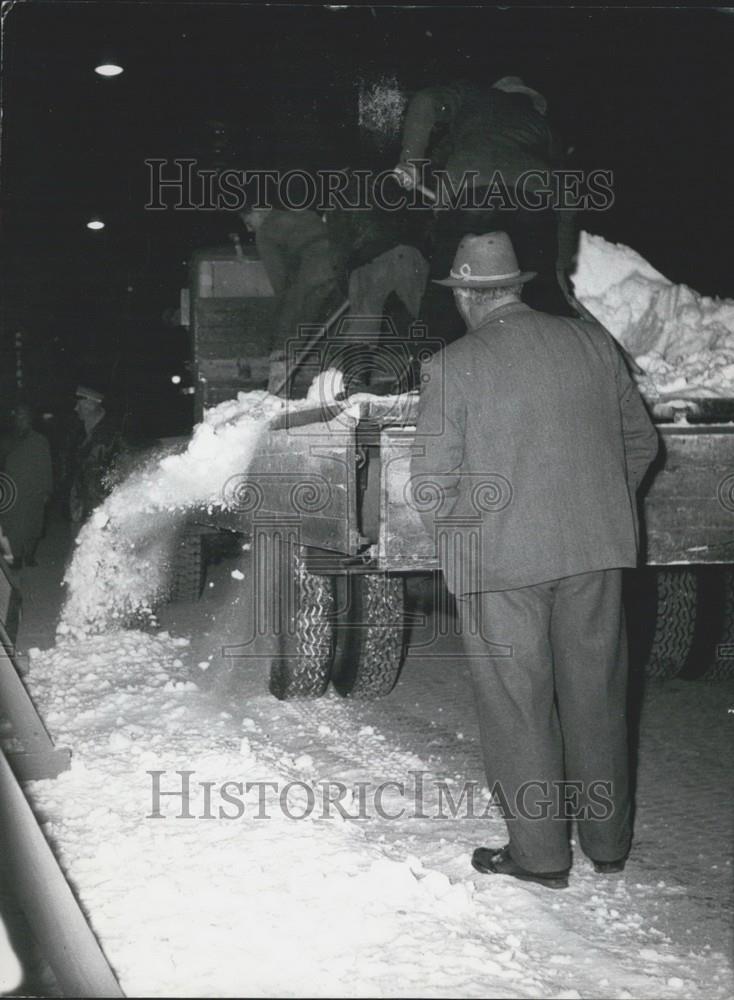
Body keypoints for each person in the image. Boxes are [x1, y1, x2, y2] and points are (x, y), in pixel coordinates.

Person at [410, 232, 659, 889]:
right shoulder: (591, 342)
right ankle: (609, 845)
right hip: (593, 553)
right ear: (517, 285)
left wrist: (469, 549)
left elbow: (433, 486)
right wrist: (597, 508)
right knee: (598, 696)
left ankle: (542, 856)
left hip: (499, 565)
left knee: (519, 708)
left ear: (466, 293)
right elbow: (641, 442)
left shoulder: (451, 368)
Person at [394, 76, 578, 337]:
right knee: (540, 298)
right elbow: (566, 198)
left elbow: (425, 100)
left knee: (448, 293)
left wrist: (411, 160)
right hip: (533, 203)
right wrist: (559, 267)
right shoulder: (543, 127)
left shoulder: (472, 97)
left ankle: (430, 364)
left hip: (471, 196)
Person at [240, 206, 345, 397]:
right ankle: (337, 387)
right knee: (334, 327)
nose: (249, 229)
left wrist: (283, 317)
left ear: (259, 212)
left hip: (316, 270)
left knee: (285, 334)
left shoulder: (265, 231)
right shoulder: (299, 213)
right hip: (345, 268)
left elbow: (280, 281)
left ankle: (277, 394)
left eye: (248, 222)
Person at [1, 403, 53, 567]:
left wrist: (46, 490)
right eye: (17, 416)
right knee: (12, 527)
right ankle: (16, 557)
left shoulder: (39, 440)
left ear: (30, 419)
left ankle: (29, 555)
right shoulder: (7, 440)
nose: (20, 419)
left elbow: (46, 466)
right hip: (12, 491)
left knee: (33, 526)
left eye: (24, 416)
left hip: (33, 490)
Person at [68, 385, 126, 527]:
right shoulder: (91, 434)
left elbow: (95, 485)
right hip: (89, 513)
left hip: (96, 516)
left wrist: (91, 520)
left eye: (78, 404)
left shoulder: (103, 438)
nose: (75, 409)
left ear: (89, 405)